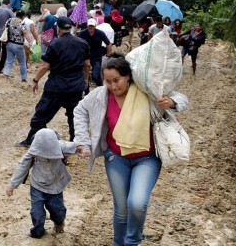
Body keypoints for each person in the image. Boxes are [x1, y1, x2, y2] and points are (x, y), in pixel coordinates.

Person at [74, 54, 189, 246]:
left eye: (116, 81)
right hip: (116, 157)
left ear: (128, 76)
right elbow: (80, 110)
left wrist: (172, 103)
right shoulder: (101, 95)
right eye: (108, 81)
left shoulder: (147, 91)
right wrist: (83, 141)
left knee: (136, 204)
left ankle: (133, 241)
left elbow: (182, 99)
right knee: (122, 210)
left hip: (147, 158)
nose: (112, 86)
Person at [18, 17, 90, 147]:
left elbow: (45, 66)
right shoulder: (82, 43)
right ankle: (75, 142)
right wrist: (85, 79)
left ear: (58, 28)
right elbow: (87, 65)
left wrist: (35, 80)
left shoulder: (55, 43)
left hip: (56, 86)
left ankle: (33, 139)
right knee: (74, 116)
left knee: (41, 114)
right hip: (75, 86)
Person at [6, 128, 77, 238]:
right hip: (37, 187)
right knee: (36, 213)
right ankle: (37, 232)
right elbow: (22, 166)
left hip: (55, 186)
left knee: (58, 212)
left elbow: (78, 147)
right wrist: (12, 185)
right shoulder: (34, 151)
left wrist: (84, 149)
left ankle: (59, 222)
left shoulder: (61, 146)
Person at [78, 18, 112, 89]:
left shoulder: (100, 33)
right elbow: (77, 43)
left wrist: (109, 55)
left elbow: (108, 44)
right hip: (85, 57)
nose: (90, 27)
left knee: (95, 76)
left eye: (92, 26)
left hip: (96, 57)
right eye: (89, 26)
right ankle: (86, 91)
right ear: (87, 26)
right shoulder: (82, 33)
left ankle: (100, 87)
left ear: (95, 26)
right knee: (84, 76)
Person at [3, 10, 32, 82]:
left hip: (9, 43)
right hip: (18, 45)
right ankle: (23, 77)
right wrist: (30, 42)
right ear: (22, 16)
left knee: (9, 60)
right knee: (22, 62)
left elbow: (5, 28)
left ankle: (6, 74)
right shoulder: (21, 22)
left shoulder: (9, 20)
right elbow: (25, 32)